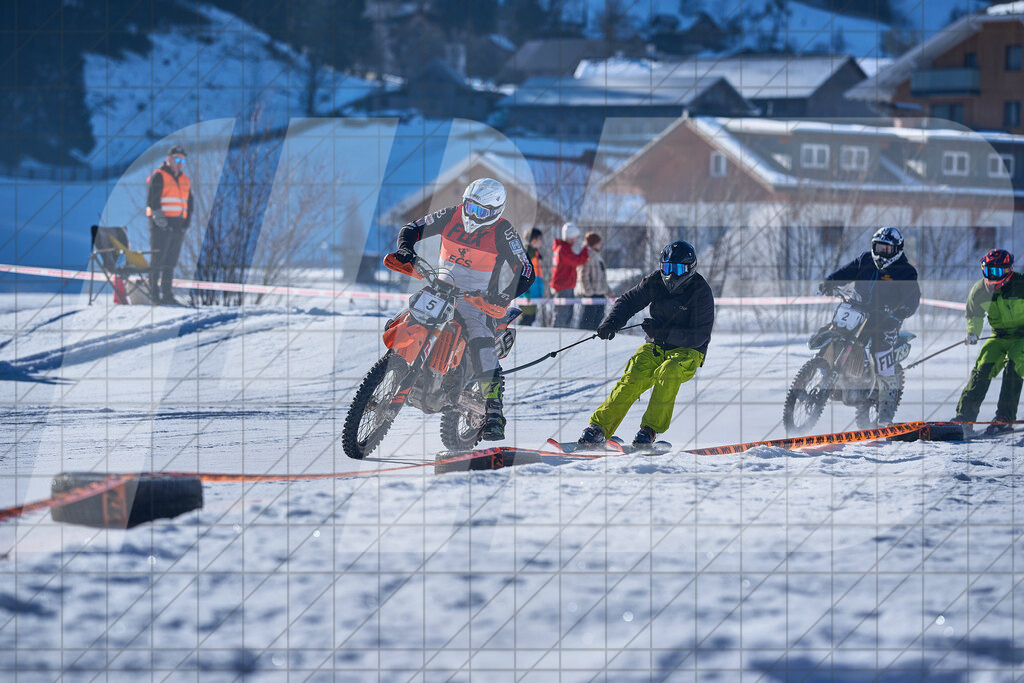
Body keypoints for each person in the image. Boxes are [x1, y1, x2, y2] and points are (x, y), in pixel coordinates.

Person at [391, 178, 534, 441]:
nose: (472, 214)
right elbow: (412, 228)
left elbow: (526, 270)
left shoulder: (504, 232)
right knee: (403, 319)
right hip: (440, 288)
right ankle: (392, 369)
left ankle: (494, 413)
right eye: (469, 206)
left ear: (495, 212)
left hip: (476, 301)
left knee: (481, 344)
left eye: (480, 212)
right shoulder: (451, 215)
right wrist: (405, 249)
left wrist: (503, 297)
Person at [577, 241, 715, 449]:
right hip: (657, 345)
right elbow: (629, 301)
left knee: (668, 372)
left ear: (690, 269)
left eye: (677, 269)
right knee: (634, 374)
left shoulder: (701, 292)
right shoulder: (655, 281)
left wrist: (665, 333)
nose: (671, 274)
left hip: (689, 351)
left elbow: (699, 336)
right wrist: (612, 322)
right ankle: (599, 428)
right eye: (667, 268)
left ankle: (649, 430)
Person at [818, 226, 920, 424]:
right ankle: (825, 379)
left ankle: (886, 410)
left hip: (885, 320)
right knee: (831, 334)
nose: (881, 253)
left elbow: (912, 298)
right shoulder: (865, 259)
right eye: (879, 247)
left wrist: (900, 314)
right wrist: (830, 282)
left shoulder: (906, 271)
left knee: (882, 355)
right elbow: (846, 271)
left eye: (887, 249)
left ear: (897, 249)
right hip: (856, 312)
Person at [951, 249, 1024, 435]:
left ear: (1009, 271)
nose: (992, 277)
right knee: (982, 366)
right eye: (987, 270)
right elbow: (974, 316)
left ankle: (1004, 417)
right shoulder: (979, 291)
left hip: (1022, 338)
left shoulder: (1020, 285)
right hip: (998, 337)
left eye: (997, 272)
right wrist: (972, 332)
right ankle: (964, 417)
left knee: (1014, 363)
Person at [146, 144, 193, 305]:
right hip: (161, 225)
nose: (179, 163)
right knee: (157, 260)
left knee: (170, 262)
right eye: (176, 159)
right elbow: (153, 201)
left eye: (182, 160)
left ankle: (167, 294)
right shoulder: (159, 176)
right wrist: (162, 223)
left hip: (178, 226)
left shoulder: (185, 179)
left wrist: (185, 224)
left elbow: (189, 203)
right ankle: (153, 294)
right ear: (169, 159)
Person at [551, 222, 589, 328]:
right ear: (570, 237)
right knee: (561, 316)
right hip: (563, 287)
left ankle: (564, 336)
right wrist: (585, 250)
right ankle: (555, 337)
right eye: (575, 237)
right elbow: (577, 260)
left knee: (566, 316)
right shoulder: (563, 249)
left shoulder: (563, 248)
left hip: (566, 286)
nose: (576, 240)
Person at [577, 231, 613, 330]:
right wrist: (589, 292)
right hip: (592, 295)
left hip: (600, 295)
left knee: (598, 318)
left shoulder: (598, 256)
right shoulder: (586, 255)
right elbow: (583, 276)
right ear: (593, 243)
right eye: (598, 242)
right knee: (587, 321)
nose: (600, 244)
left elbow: (602, 278)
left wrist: (609, 292)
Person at [519, 228, 545, 326]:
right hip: (527, 291)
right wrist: (525, 290)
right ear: (533, 240)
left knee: (531, 317)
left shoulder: (535, 252)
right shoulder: (527, 252)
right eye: (540, 239)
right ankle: (519, 336)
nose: (541, 241)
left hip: (533, 291)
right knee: (527, 316)